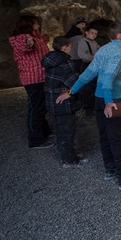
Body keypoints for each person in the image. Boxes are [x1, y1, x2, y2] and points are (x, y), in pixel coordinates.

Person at [56, 22, 121, 190]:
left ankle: (111, 169)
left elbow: (87, 75)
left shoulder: (104, 50)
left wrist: (70, 92)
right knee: (120, 137)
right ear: (120, 36)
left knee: (106, 136)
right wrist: (109, 102)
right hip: (114, 100)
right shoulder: (119, 53)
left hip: (100, 99)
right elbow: (107, 80)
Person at [9, 14, 53, 149]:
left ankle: (44, 132)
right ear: (29, 24)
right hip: (34, 78)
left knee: (40, 106)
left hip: (41, 76)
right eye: (36, 23)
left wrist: (40, 39)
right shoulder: (21, 38)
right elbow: (26, 46)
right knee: (36, 108)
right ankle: (35, 139)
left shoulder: (34, 36)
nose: (38, 25)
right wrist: (30, 42)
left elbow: (36, 43)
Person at [42, 36, 87, 168]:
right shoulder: (64, 63)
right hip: (63, 104)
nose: (71, 49)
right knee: (67, 131)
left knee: (61, 130)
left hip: (52, 101)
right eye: (70, 46)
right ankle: (69, 160)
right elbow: (74, 84)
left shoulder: (52, 60)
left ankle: (68, 155)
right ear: (64, 47)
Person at [74, 25, 100, 116]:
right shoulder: (83, 42)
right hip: (87, 65)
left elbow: (99, 51)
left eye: (96, 34)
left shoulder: (94, 42)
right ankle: (88, 108)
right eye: (92, 33)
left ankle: (93, 105)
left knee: (93, 85)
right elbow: (81, 54)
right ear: (87, 33)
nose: (94, 35)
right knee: (88, 87)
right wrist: (93, 58)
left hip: (94, 65)